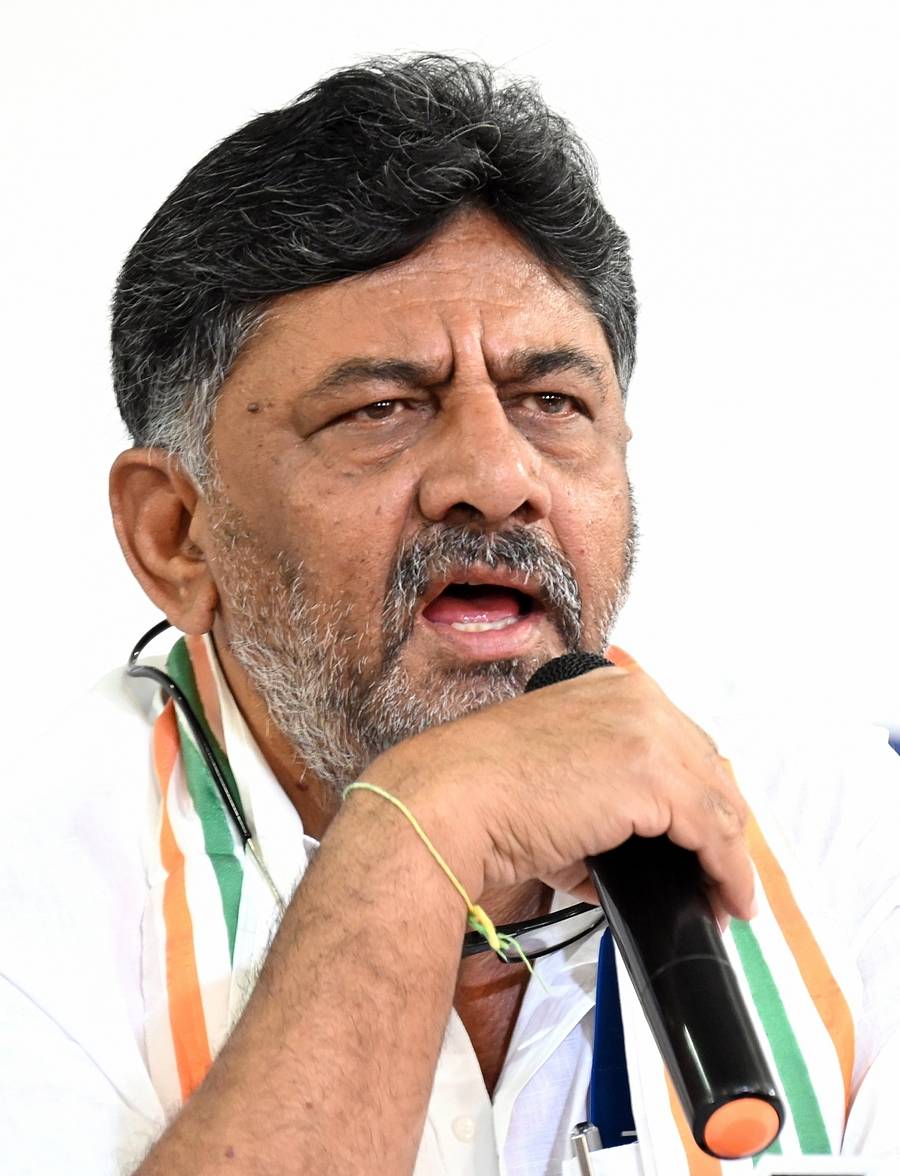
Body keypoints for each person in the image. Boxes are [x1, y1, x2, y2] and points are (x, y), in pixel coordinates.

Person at [1, 54, 898, 1176]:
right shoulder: (35, 891)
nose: (496, 472)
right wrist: (417, 826)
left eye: (551, 402)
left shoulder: (856, 822)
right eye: (381, 408)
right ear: (177, 535)